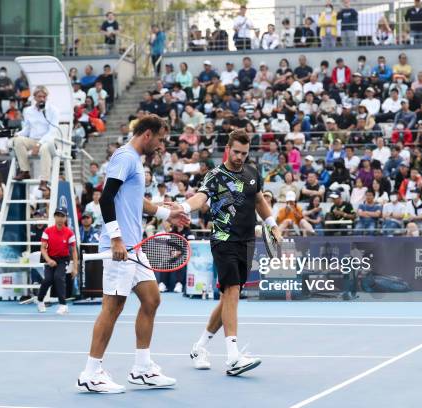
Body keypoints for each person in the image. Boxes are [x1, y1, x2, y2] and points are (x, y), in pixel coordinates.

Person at [77, 115, 185, 393]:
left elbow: (138, 201)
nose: (161, 146)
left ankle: (142, 369)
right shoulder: (125, 157)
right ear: (147, 134)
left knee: (151, 299)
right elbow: (106, 198)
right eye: (160, 139)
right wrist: (115, 239)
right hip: (120, 248)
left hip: (135, 248)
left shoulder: (135, 160)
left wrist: (167, 213)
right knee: (112, 308)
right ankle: (91, 373)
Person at [176, 129, 281, 375]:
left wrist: (272, 224)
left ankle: (200, 347)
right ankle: (233, 357)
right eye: (236, 152)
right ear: (228, 149)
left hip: (247, 242)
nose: (239, 157)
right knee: (232, 291)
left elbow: (258, 201)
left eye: (244, 153)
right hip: (223, 241)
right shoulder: (215, 176)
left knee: (227, 299)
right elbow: (200, 198)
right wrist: (182, 207)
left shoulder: (252, 172)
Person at [12, 86, 59, 192]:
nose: (42, 99)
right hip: (33, 140)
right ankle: (25, 171)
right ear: (35, 97)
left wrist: (39, 144)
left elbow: (52, 131)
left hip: (48, 141)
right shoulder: (28, 111)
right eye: (39, 96)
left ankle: (44, 181)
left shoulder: (53, 110)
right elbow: (27, 129)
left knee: (44, 148)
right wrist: (18, 134)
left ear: (47, 97)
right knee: (18, 140)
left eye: (44, 96)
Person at [36, 206, 79, 315]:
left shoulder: (70, 233)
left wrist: (75, 268)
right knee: (47, 280)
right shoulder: (47, 231)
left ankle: (63, 305)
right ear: (54, 217)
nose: (60, 218)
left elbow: (74, 251)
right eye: (58, 215)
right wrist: (49, 260)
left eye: (62, 216)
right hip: (49, 258)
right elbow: (42, 248)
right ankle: (40, 301)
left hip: (63, 260)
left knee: (58, 277)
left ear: (65, 218)